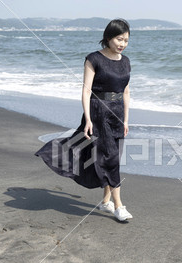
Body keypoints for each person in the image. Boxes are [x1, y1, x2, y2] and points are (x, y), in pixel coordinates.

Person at [35, 19, 132, 222]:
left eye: (126, 40)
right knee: (111, 159)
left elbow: (126, 91)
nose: (122, 44)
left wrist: (125, 120)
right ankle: (119, 206)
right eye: (118, 39)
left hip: (117, 114)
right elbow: (86, 90)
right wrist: (88, 119)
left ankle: (105, 202)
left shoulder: (125, 61)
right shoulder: (93, 59)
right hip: (98, 112)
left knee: (110, 158)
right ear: (108, 37)